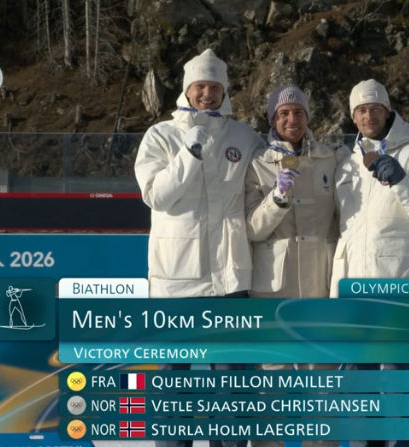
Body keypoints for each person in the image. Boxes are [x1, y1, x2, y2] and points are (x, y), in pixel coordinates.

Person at [134, 49, 266, 447]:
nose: (207, 94)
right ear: (187, 90)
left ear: (224, 90)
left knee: (233, 384)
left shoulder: (244, 136)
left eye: (214, 87)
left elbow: (264, 181)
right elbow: (157, 197)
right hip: (177, 280)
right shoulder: (161, 135)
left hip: (229, 280)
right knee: (173, 385)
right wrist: (188, 154)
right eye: (200, 87)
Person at [331, 79, 409, 447]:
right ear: (353, 117)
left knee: (401, 380)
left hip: (399, 286)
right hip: (355, 290)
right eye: (360, 110)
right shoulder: (346, 164)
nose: (368, 116)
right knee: (358, 384)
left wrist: (400, 180)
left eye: (374, 108)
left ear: (387, 110)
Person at [245, 85, 344, 447]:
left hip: (320, 285)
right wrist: (277, 198)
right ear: (272, 119)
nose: (292, 120)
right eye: (283, 113)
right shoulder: (257, 163)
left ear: (308, 117)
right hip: (274, 290)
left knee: (323, 385)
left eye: (298, 112)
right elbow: (251, 228)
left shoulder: (330, 159)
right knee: (272, 384)